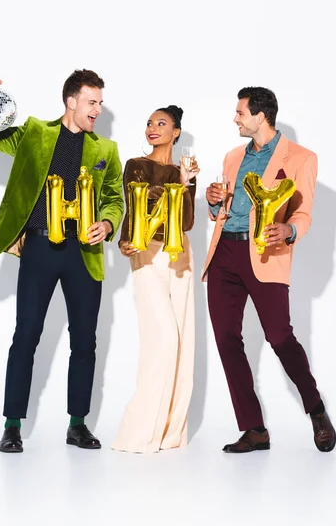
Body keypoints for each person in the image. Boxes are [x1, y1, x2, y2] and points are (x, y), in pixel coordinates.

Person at [0, 70, 124, 453]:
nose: (97, 110)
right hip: (39, 249)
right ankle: (12, 425)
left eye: (100, 103)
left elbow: (115, 199)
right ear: (71, 101)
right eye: (92, 102)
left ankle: (77, 424)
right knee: (26, 337)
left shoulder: (106, 150)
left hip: (83, 254)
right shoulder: (35, 133)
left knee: (84, 341)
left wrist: (107, 223)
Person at [203, 86, 336, 453]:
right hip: (225, 252)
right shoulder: (232, 157)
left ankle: (317, 409)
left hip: (266, 252)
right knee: (227, 339)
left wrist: (290, 230)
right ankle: (254, 428)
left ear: (261, 116)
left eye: (240, 113)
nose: (236, 118)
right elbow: (222, 209)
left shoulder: (301, 158)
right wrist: (214, 204)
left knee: (280, 337)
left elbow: (303, 212)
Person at [112, 105, 199, 453]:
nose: (152, 128)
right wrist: (123, 239)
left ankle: (169, 433)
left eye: (161, 123)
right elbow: (137, 204)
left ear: (176, 132)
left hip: (179, 253)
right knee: (161, 338)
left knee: (183, 341)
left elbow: (188, 220)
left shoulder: (184, 170)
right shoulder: (136, 165)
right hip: (146, 251)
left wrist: (186, 183)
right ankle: (138, 432)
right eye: (149, 123)